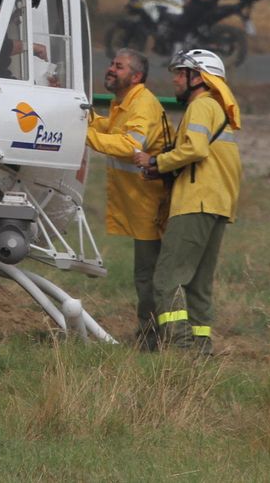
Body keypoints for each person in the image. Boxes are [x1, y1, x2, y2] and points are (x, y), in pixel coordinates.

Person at [132, 47, 242, 355]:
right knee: (198, 285)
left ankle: (180, 348)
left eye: (181, 73)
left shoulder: (201, 106)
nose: (176, 80)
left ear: (199, 78)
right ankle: (201, 349)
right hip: (217, 206)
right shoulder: (216, 110)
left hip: (196, 203)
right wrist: (164, 168)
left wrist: (156, 161)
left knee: (166, 279)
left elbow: (195, 150)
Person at [84, 48, 171, 348]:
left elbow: (130, 145)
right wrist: (82, 116)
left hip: (151, 204)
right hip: (139, 203)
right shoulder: (124, 102)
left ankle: (153, 337)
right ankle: (154, 334)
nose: (111, 69)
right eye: (111, 64)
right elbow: (109, 128)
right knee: (146, 275)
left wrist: (86, 136)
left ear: (136, 76)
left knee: (148, 276)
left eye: (118, 67)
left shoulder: (143, 105)